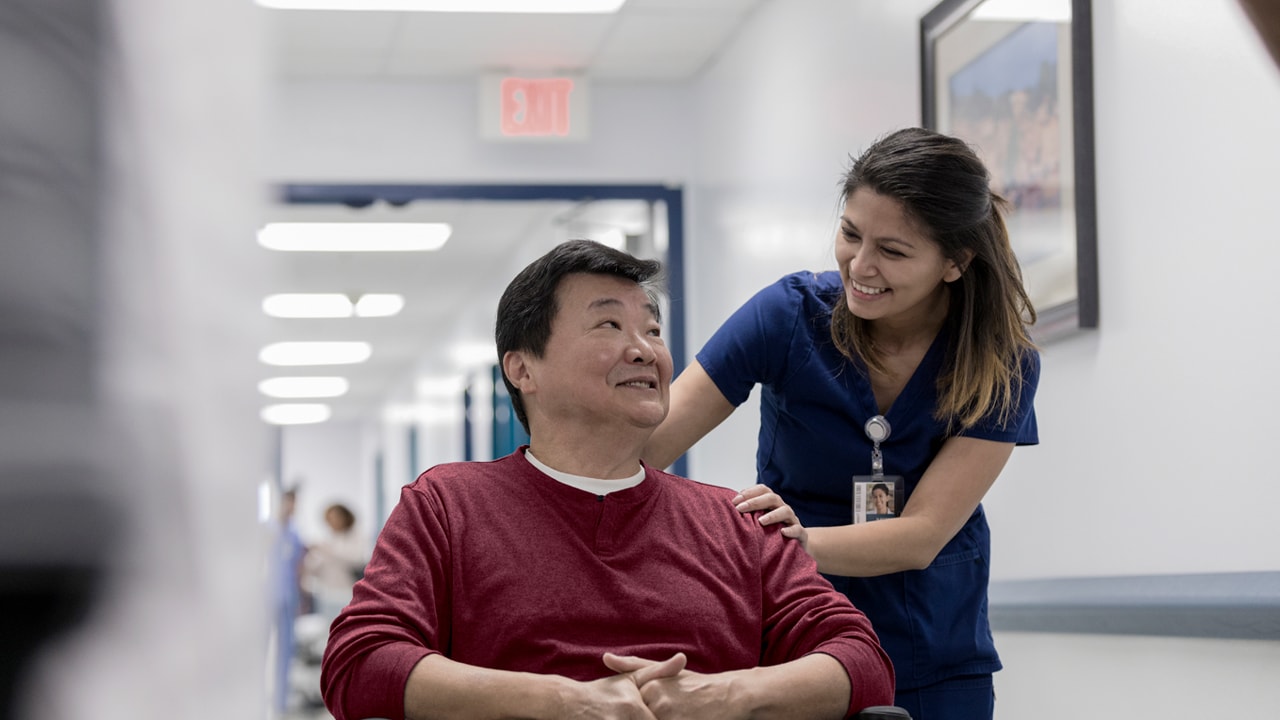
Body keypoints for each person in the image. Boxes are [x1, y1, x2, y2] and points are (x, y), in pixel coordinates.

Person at [320, 239, 895, 720]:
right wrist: (562, 702)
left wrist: (719, 695)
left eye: (652, 330)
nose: (644, 350)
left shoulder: (741, 521)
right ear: (523, 369)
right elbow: (360, 661)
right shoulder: (448, 506)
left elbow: (863, 664)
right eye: (609, 325)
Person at [644, 127, 1040, 720]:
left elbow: (923, 532)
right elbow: (650, 446)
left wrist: (796, 543)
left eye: (894, 251)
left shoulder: (998, 363)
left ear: (955, 263)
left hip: (933, 655)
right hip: (794, 648)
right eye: (851, 233)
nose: (862, 265)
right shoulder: (787, 316)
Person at [269, 486, 307, 716]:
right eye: (289, 502)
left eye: (295, 503)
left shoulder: (294, 533)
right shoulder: (268, 530)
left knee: (285, 648)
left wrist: (302, 596)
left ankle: (281, 700)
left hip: (288, 595)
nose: (293, 507)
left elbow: (298, 567)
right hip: (267, 595)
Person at [302, 502, 366, 623]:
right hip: (327, 594)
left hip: (347, 593)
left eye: (333, 518)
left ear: (344, 517)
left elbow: (357, 559)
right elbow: (314, 567)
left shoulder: (356, 536)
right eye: (328, 520)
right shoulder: (329, 539)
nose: (331, 523)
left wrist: (328, 550)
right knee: (330, 631)